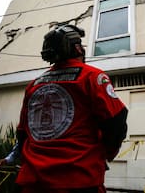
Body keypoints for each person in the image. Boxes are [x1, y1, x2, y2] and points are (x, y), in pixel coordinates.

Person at [14, 24, 128, 193]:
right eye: (81, 45)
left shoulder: (33, 85)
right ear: (76, 48)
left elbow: (23, 133)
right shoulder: (92, 76)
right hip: (79, 178)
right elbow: (116, 120)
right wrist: (106, 153)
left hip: (31, 181)